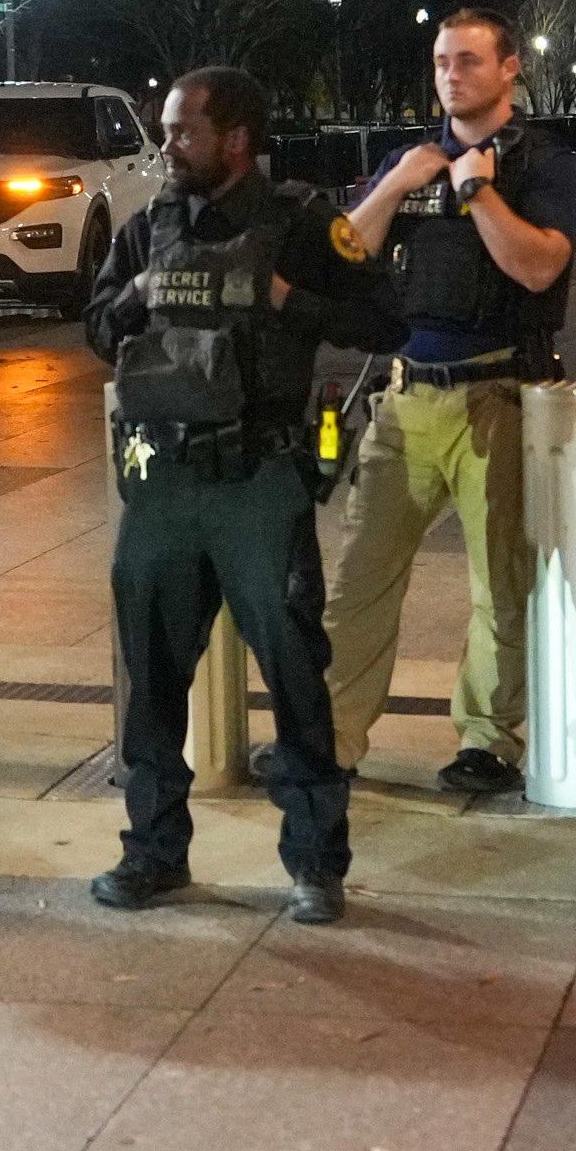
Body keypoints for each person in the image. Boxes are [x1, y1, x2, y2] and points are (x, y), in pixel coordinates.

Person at [85, 65, 401, 924]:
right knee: (149, 680)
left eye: (183, 130)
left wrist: (290, 300)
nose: (167, 145)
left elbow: (383, 321)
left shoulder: (300, 223)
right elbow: (96, 325)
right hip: (160, 482)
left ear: (235, 138)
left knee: (296, 674)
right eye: (166, 129)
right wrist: (137, 297)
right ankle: (152, 852)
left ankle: (314, 864)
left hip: (259, 480)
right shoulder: (149, 227)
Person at [319, 7, 576, 794]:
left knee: (501, 584)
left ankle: (488, 740)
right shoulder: (416, 160)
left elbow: (539, 270)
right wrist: (399, 181)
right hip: (404, 397)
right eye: (441, 60)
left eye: (468, 60)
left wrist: (480, 195)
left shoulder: (540, 165)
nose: (450, 74)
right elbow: (348, 254)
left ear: (510, 70)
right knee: (358, 577)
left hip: (497, 395)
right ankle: (328, 736)